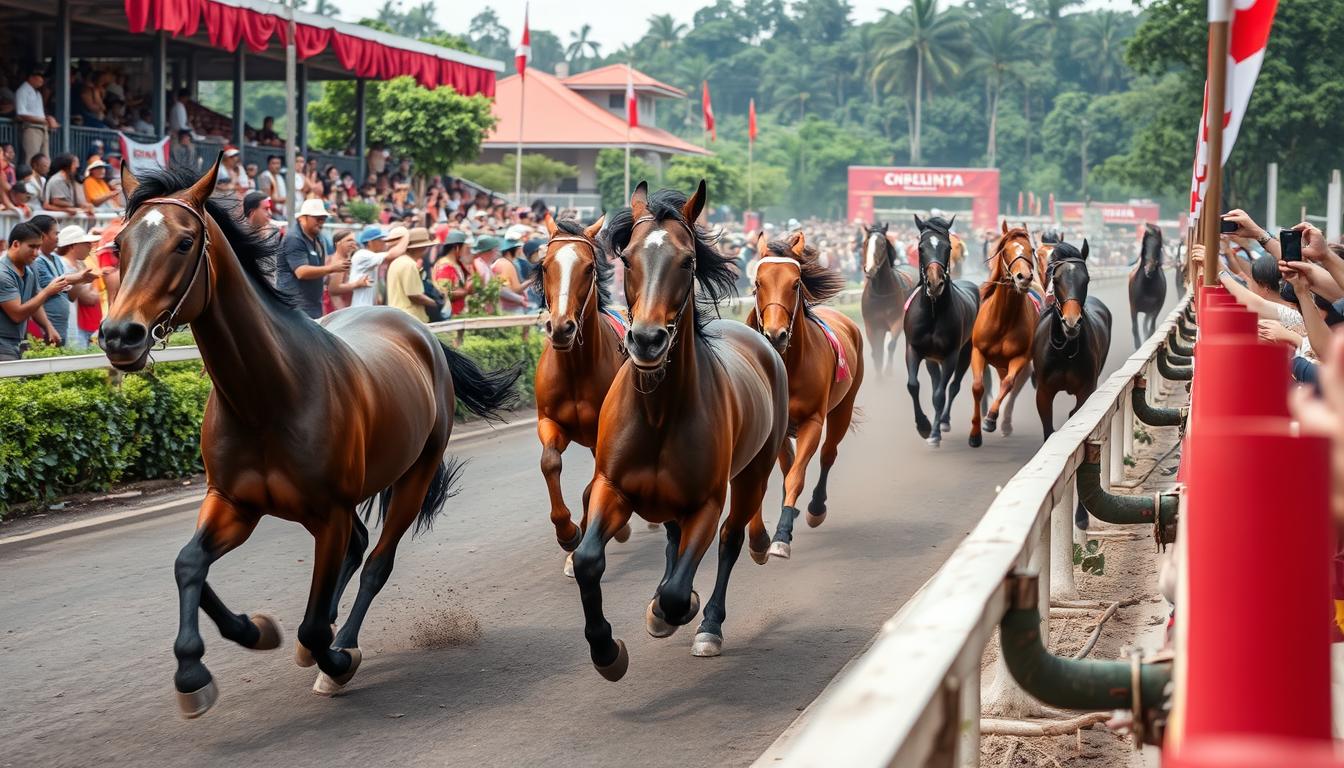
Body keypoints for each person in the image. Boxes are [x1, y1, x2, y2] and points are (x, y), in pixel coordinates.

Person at [0, 221, 73, 359]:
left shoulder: (30, 267)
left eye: (38, 247)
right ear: (16, 244)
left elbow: (34, 300)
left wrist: (48, 327)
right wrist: (47, 292)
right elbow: (17, 315)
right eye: (32, 247)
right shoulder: (2, 274)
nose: (36, 253)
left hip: (19, 342)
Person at [278, 198, 344, 319]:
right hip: (295, 308)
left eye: (323, 219)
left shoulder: (319, 237)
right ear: (303, 218)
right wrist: (332, 268)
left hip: (312, 305)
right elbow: (301, 272)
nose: (321, 222)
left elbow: (320, 267)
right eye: (317, 218)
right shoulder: (294, 238)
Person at [54, 225, 101, 348]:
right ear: (73, 245)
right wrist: (81, 280)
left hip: (76, 323)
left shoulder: (79, 264)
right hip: (67, 324)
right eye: (86, 243)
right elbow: (87, 297)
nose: (90, 246)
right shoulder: (62, 264)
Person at [349, 224, 408, 307]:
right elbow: (392, 254)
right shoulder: (363, 255)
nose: (383, 242)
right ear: (370, 242)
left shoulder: (370, 255)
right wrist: (406, 236)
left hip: (366, 307)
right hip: (362, 307)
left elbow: (389, 248)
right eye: (380, 240)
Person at [387, 227, 438, 323]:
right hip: (410, 319)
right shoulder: (409, 265)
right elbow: (414, 295)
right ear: (422, 248)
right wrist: (436, 303)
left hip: (398, 316)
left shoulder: (397, 261)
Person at [16, 65, 55, 163]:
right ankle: (30, 178)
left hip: (42, 128)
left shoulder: (38, 93)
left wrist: (48, 119)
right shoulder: (22, 91)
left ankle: (41, 179)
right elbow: (21, 114)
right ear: (31, 77)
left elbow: (39, 113)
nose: (42, 79)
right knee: (32, 158)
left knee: (45, 160)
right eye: (39, 76)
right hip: (31, 128)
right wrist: (43, 120)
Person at [324, 230, 367, 314]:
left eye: (354, 240)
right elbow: (334, 289)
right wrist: (357, 284)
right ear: (338, 243)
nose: (353, 243)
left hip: (344, 309)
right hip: (338, 310)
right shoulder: (338, 262)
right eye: (349, 240)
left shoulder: (345, 259)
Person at [433, 230, 474, 316]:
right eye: (465, 248)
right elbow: (445, 293)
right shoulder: (444, 266)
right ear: (457, 247)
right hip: (451, 315)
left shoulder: (458, 264)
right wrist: (466, 291)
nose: (467, 251)